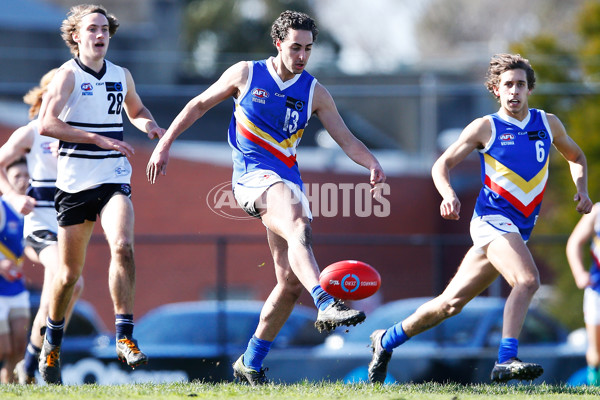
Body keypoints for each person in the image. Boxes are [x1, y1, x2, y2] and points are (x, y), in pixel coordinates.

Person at [146, 10, 386, 386]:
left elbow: (346, 138)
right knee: (298, 225)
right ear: (278, 43)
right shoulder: (246, 73)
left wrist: (371, 162)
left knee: (289, 284)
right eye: (295, 47)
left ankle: (250, 361)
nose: (302, 55)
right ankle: (326, 303)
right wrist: (165, 143)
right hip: (252, 179)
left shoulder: (315, 92)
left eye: (308, 48)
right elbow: (199, 104)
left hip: (289, 182)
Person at [367, 53, 593, 384]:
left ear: (529, 89)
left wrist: (582, 190)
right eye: (507, 85)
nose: (514, 91)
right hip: (491, 220)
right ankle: (506, 359)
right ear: (495, 90)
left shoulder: (548, 123)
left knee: (448, 305)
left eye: (520, 85)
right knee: (528, 280)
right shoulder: (486, 127)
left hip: (517, 230)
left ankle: (385, 340)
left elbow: (577, 156)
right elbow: (440, 165)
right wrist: (448, 194)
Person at [36, 4, 165, 384]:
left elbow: (136, 108)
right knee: (67, 276)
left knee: (123, 245)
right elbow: (46, 123)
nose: (100, 34)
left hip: (112, 177)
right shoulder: (67, 76)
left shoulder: (121, 75)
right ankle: (52, 343)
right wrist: (96, 138)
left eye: (105, 29)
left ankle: (124, 336)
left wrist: (149, 125)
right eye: (92, 28)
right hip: (75, 185)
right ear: (76, 36)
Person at [0, 69, 84, 384]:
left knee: (70, 287)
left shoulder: (82, 131)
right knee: (65, 276)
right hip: (38, 228)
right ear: (49, 96)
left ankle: (32, 362)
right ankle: (45, 360)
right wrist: (11, 196)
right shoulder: (32, 132)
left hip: (68, 226)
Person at [0, 158, 30, 383]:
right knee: (3, 348)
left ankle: (9, 385)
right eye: (17, 176)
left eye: (26, 175)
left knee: (20, 345)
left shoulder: (30, 209)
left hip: (17, 287)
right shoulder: (2, 208)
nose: (23, 181)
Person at [566, 203, 600, 385]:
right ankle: (595, 387)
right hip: (597, 290)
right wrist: (579, 273)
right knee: (596, 351)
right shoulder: (597, 212)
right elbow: (574, 243)